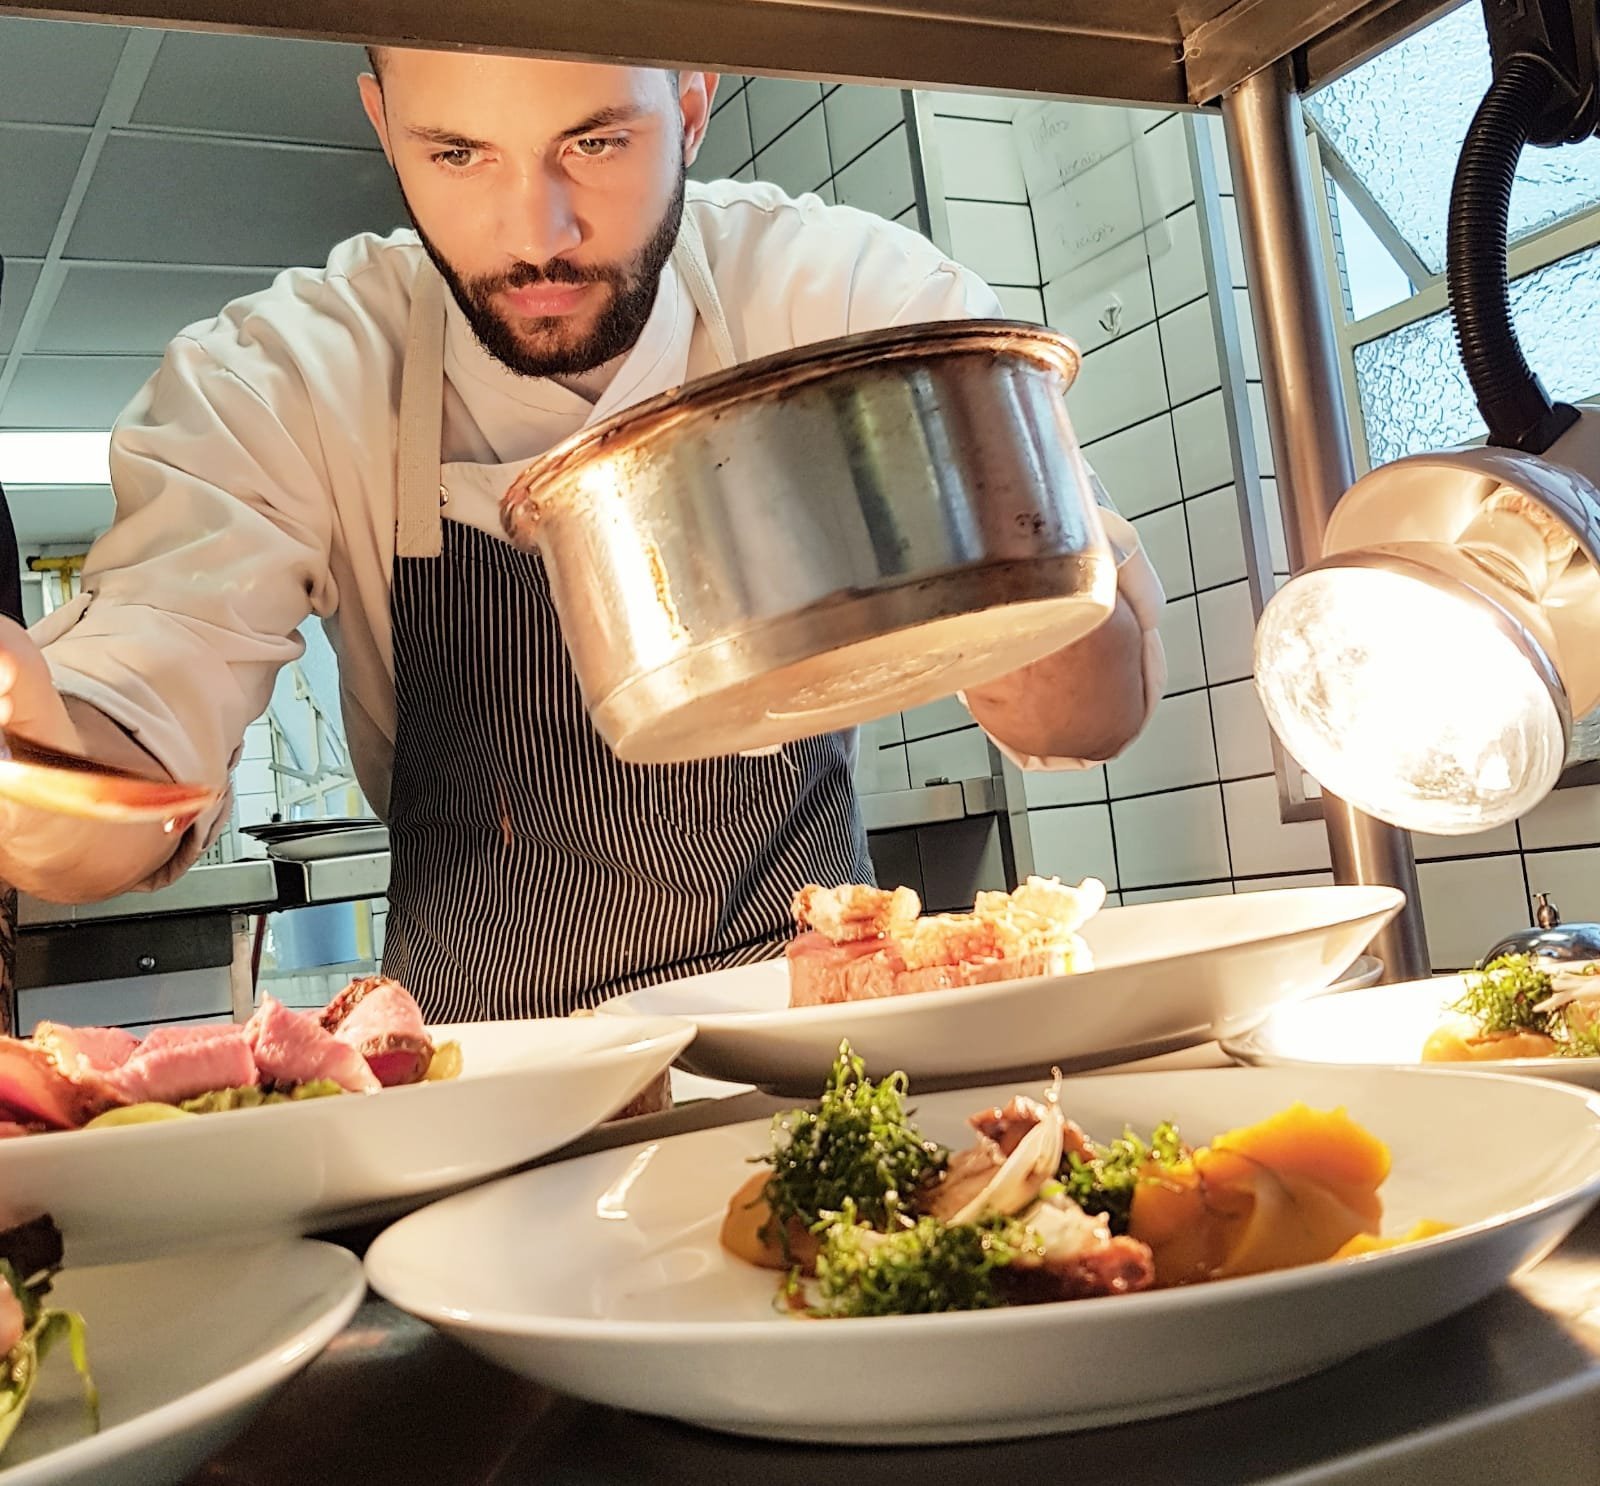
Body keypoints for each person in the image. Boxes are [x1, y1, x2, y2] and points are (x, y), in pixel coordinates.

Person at [0, 52, 1165, 1021]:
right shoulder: (289, 376)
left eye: (596, 143)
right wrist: (30, 754)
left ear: (694, 103)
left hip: (822, 1039)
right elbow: (132, 735)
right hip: (480, 1089)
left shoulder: (835, 296)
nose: (535, 233)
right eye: (456, 154)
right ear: (384, 120)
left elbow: (1090, 714)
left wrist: (1014, 560)